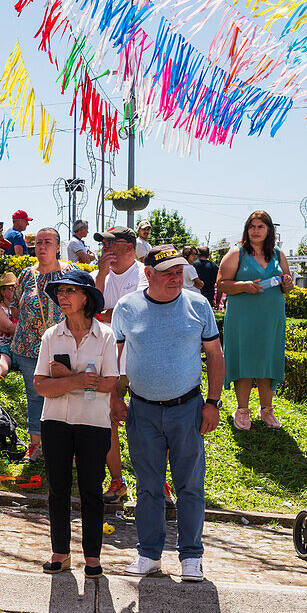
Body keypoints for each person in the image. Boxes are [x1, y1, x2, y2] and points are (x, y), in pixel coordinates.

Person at [111, 245, 224, 582]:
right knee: (148, 487)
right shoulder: (127, 307)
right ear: (148, 274)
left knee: (190, 486)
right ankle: (149, 554)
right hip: (141, 411)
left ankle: (191, 556)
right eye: (168, 273)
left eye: (179, 272)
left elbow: (216, 357)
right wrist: (114, 400)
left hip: (187, 409)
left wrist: (213, 403)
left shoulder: (198, 305)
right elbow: (117, 359)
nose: (176, 278)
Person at [34, 269, 118, 578]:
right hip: (55, 420)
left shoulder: (105, 335)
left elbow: (109, 382)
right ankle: (61, 553)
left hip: (94, 422)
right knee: (58, 490)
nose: (62, 297)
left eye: (70, 291)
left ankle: (93, 557)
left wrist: (65, 380)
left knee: (91, 491)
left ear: (86, 298)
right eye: (59, 292)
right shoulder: (51, 335)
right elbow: (41, 385)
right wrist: (81, 380)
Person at [217, 211, 291, 430]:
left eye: (260, 226)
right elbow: (221, 284)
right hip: (243, 318)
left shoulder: (278, 254)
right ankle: (242, 411)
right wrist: (244, 286)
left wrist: (287, 284)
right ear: (247, 229)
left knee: (268, 360)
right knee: (244, 360)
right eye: (252, 226)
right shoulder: (236, 252)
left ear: (269, 230)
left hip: (271, 318)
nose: (256, 230)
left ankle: (266, 410)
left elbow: (287, 284)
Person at [92, 225, 148, 504]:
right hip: (106, 364)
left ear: (129, 247)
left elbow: (132, 312)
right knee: (106, 425)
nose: (105, 248)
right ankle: (117, 481)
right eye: (103, 244)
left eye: (110, 244)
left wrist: (106, 314)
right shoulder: (96, 275)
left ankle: (157, 484)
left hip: (139, 362)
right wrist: (102, 274)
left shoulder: (144, 274)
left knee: (149, 426)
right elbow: (90, 310)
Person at [10, 227, 69, 461]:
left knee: (64, 395)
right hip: (28, 347)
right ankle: (36, 444)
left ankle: (64, 445)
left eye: (47, 242)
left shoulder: (70, 272)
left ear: (57, 247)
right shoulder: (26, 274)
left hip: (63, 347)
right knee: (35, 395)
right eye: (38, 243)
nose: (42, 247)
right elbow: (15, 306)